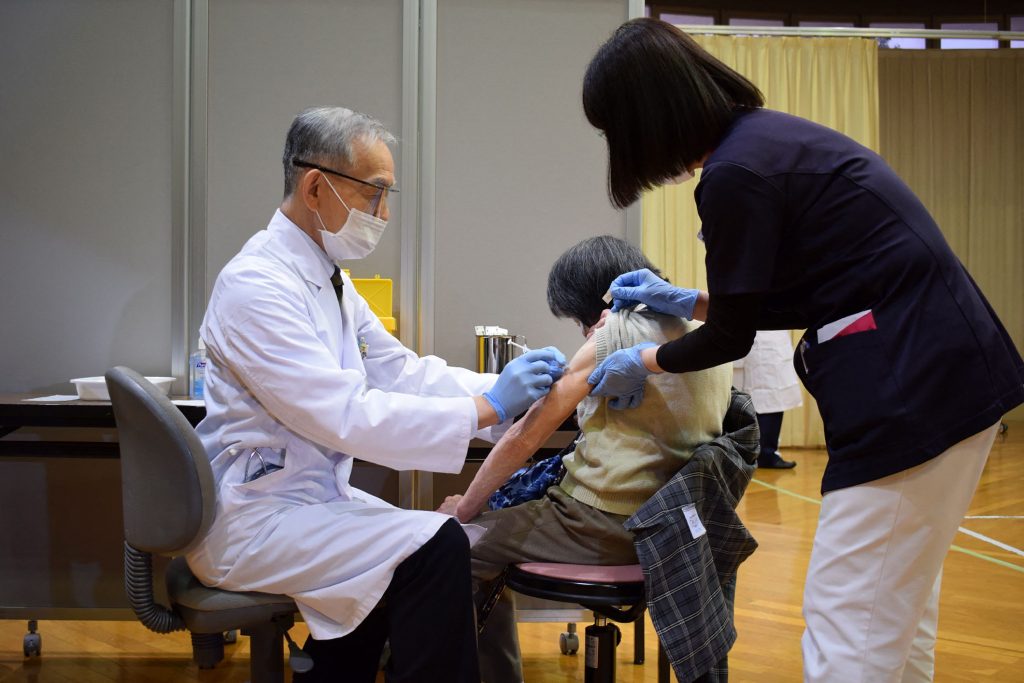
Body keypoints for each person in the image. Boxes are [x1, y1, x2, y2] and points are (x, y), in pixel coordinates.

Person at [581, 18, 1024, 683]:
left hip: (913, 389)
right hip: (952, 374)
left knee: (850, 623)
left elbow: (734, 333)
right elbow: (789, 297)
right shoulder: (769, 142)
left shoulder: (736, 172)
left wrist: (639, 361)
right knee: (897, 620)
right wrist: (688, 299)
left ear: (647, 117)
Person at [184, 106, 565, 683]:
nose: (383, 213)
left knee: (426, 547)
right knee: (434, 547)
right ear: (316, 186)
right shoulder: (256, 285)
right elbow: (341, 414)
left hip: (307, 500)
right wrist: (488, 408)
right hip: (254, 518)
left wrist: (509, 390)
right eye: (375, 194)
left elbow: (401, 372)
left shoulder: (328, 279)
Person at [438, 235, 733, 683]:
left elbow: (524, 438)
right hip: (675, 522)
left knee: (453, 547)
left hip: (606, 518)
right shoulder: (706, 332)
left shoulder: (614, 332)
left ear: (591, 304)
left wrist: (462, 510)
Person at [734, 330, 803, 468]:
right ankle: (762, 453)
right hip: (756, 340)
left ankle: (767, 453)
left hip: (771, 342)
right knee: (759, 401)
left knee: (774, 399)